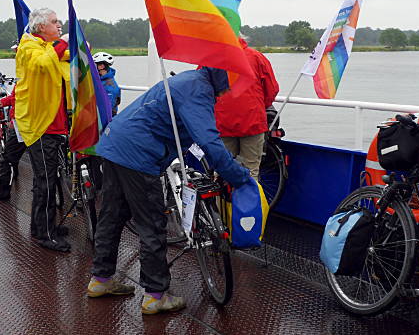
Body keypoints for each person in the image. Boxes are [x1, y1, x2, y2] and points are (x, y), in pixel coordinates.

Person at [87, 67, 254, 315]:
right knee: (152, 225)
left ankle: (100, 281)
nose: (233, 86)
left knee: (112, 216)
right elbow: (209, 141)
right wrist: (239, 176)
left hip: (114, 144)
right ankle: (155, 295)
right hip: (138, 155)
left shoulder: (188, 79)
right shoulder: (199, 90)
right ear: (223, 74)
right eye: (233, 78)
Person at [15, 7, 72, 252]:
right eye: (54, 22)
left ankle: (43, 226)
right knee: (46, 180)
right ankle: (45, 234)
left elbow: (65, 56)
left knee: (50, 178)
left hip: (53, 123)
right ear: (40, 27)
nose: (59, 25)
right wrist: (62, 43)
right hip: (40, 125)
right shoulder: (29, 47)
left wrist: (80, 47)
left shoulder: (47, 47)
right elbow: (42, 63)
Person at [215, 37, 279, 180]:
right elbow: (272, 89)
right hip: (252, 121)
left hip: (222, 122)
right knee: (251, 170)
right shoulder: (256, 57)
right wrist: (259, 106)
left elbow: (201, 88)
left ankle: (221, 201)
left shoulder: (212, 58)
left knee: (223, 171)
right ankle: (250, 201)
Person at [92, 52, 121, 116]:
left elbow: (108, 109)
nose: (92, 67)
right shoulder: (100, 79)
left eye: (94, 64)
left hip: (106, 120)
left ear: (101, 66)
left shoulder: (110, 86)